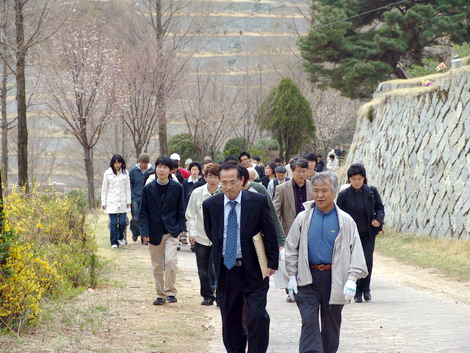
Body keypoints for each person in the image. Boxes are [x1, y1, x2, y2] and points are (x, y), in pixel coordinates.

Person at [285, 172, 368, 353]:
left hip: (334, 278)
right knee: (309, 321)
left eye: (325, 190)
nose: (320, 195)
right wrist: (291, 276)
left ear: (335, 192)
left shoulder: (345, 221)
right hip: (308, 278)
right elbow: (291, 248)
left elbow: (357, 252)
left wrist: (352, 279)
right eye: (316, 191)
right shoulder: (303, 218)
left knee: (331, 326)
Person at [203, 163, 279, 353]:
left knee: (257, 316)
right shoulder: (211, 205)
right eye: (224, 183)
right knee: (230, 319)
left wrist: (272, 262)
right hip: (227, 269)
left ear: (242, 181)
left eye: (233, 182)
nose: (228, 187)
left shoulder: (257, 201)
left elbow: (270, 232)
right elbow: (212, 233)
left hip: (253, 268)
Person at [139, 156, 186, 305]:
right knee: (157, 265)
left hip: (171, 231)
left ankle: (171, 292)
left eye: (165, 167)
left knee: (171, 262)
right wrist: (144, 232)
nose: (161, 170)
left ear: (170, 170)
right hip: (154, 231)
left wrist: (180, 228)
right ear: (155, 169)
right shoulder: (148, 188)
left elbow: (181, 209)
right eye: (159, 166)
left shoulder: (177, 188)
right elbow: (143, 213)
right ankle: (160, 294)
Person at [336, 164, 385, 303]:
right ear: (349, 179)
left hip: (368, 234)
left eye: (359, 178)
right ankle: (357, 291)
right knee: (354, 262)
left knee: (367, 261)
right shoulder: (343, 195)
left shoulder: (371, 191)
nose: (357, 181)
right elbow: (338, 214)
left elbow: (379, 207)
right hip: (351, 236)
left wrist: (378, 220)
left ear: (364, 178)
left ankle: (366, 290)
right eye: (354, 179)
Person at [186, 163, 220, 305]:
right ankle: (207, 295)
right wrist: (192, 233)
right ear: (205, 177)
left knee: (219, 269)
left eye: (215, 176)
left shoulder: (223, 193)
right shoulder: (197, 193)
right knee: (203, 269)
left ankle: (220, 296)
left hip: (218, 238)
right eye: (209, 176)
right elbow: (190, 214)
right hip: (200, 237)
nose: (212, 180)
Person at [273, 158, 312, 237]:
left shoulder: (313, 187)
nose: (301, 174)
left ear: (308, 171)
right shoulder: (281, 189)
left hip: (309, 230)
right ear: (292, 171)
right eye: (298, 171)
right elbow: (275, 213)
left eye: (304, 171)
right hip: (289, 231)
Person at [101, 154, 131, 248]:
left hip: (122, 201)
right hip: (111, 202)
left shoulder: (125, 173)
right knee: (113, 223)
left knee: (122, 222)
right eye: (116, 163)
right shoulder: (107, 173)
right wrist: (103, 202)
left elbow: (127, 188)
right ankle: (114, 242)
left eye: (119, 163)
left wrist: (128, 201)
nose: (117, 165)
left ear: (122, 163)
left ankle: (120, 236)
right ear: (113, 163)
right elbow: (104, 189)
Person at [129, 153, 154, 244]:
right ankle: (135, 232)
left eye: (145, 163)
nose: (143, 165)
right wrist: (131, 196)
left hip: (147, 198)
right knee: (136, 218)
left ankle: (144, 238)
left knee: (145, 218)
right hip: (135, 197)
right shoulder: (133, 171)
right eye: (142, 162)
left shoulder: (152, 171)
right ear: (139, 162)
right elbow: (130, 184)